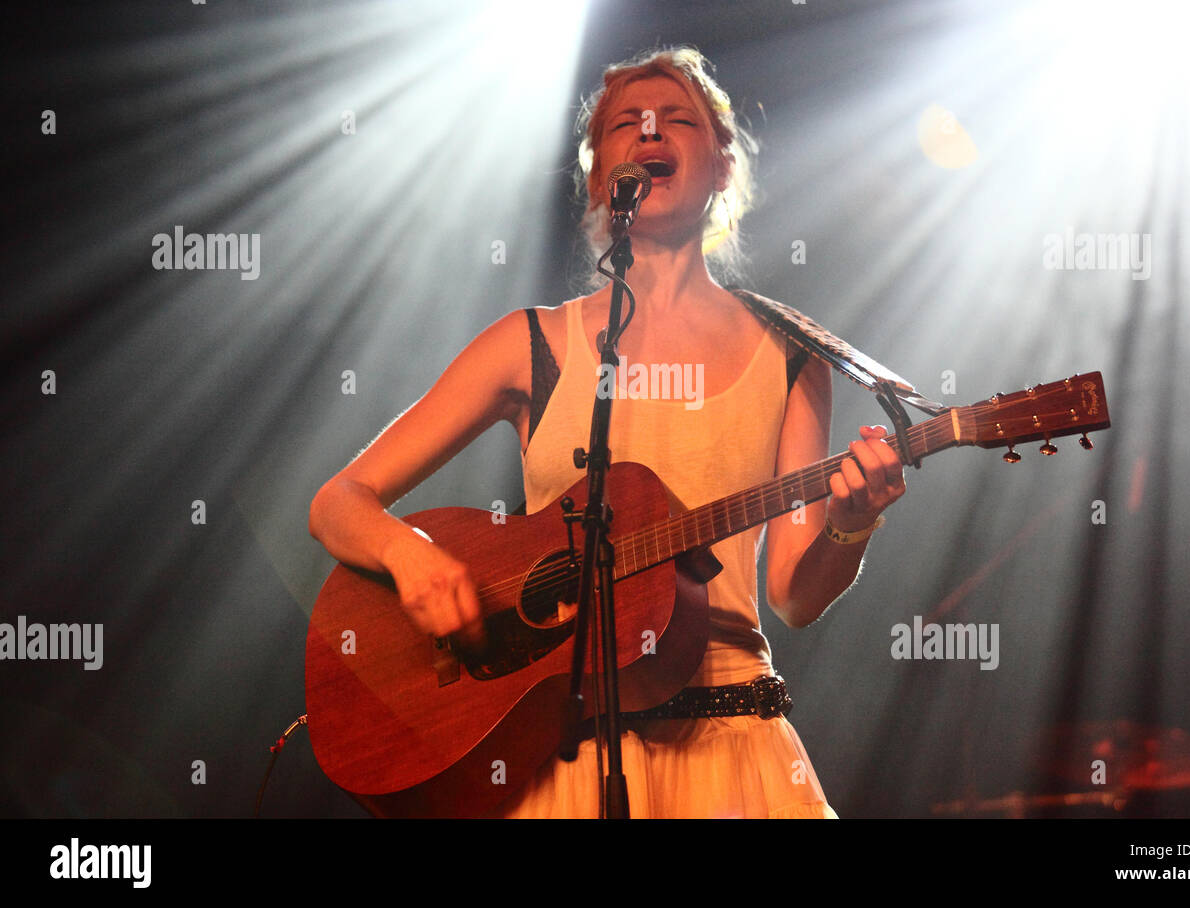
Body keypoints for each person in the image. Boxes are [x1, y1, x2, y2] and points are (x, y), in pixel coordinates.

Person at [308, 46, 906, 818]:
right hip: (566, 750)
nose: (651, 133)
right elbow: (338, 502)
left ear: (723, 166)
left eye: (678, 120)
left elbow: (793, 594)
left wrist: (850, 529)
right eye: (627, 122)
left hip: (733, 744)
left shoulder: (792, 354)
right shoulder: (532, 345)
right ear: (599, 176)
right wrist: (409, 557)